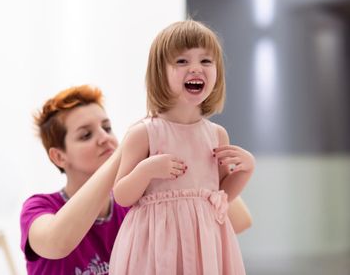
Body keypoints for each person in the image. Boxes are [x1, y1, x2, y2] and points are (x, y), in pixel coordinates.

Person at [20, 85, 252, 275]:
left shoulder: (139, 200)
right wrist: (126, 149)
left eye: (107, 127)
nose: (104, 138)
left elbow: (240, 221)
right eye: (86, 135)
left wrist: (189, 143)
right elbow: (56, 243)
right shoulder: (39, 207)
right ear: (59, 156)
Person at [110, 20, 255, 274]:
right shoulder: (144, 132)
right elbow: (122, 196)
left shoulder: (216, 135)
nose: (196, 68)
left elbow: (221, 198)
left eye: (206, 61)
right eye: (182, 61)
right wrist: (146, 170)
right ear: (159, 73)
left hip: (205, 247)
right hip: (155, 248)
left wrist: (245, 170)